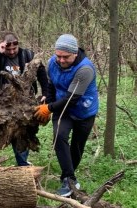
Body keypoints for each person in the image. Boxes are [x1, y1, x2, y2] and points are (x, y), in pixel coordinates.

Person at [34, 34, 99, 197]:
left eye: (66, 57)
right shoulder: (52, 63)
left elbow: (71, 99)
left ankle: (67, 177)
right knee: (59, 135)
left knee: (77, 146)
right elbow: (51, 86)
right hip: (62, 109)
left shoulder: (85, 69)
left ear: (75, 53)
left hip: (84, 111)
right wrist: (46, 104)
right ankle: (70, 179)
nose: (61, 60)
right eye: (58, 56)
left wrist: (49, 107)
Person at [0, 32, 48, 166]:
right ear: (3, 46)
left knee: (25, 131)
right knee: (14, 131)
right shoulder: (0, 57)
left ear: (18, 44)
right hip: (6, 102)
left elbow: (42, 74)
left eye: (14, 48)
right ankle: (22, 162)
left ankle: (22, 162)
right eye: (8, 49)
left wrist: (45, 93)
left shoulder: (28, 55)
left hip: (27, 100)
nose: (12, 52)